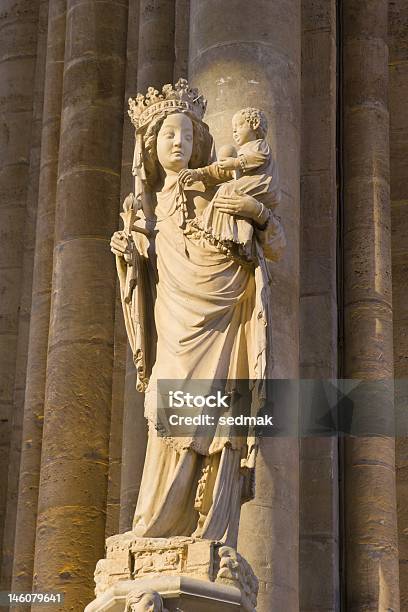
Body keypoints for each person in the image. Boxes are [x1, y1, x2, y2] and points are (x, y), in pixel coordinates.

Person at [110, 80, 286, 547]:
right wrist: (129, 255)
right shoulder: (149, 211)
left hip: (219, 319)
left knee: (216, 419)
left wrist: (257, 215)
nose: (178, 144)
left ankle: (206, 531)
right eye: (169, 135)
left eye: (187, 136)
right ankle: (156, 525)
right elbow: (147, 273)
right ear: (151, 147)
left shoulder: (210, 193)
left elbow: (270, 245)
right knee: (165, 413)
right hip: (174, 325)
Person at [179, 107, 280, 262]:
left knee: (227, 190)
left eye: (238, 126)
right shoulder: (243, 152)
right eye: (233, 129)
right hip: (250, 185)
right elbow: (221, 170)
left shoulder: (259, 145)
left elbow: (257, 158)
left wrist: (235, 162)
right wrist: (198, 173)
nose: (234, 132)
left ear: (255, 124)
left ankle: (218, 232)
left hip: (261, 184)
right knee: (228, 193)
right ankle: (226, 234)